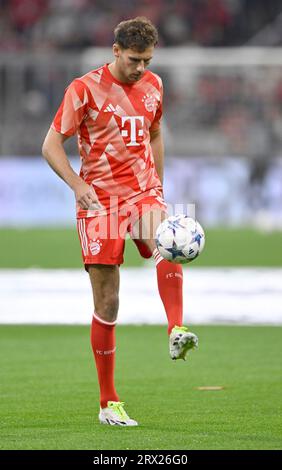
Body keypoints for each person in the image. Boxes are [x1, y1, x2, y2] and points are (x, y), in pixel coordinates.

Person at [42, 17, 198, 427]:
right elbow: (50, 144)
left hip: (142, 192)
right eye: (133, 60)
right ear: (115, 51)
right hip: (100, 204)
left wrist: (158, 189)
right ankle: (108, 403)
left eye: (147, 60)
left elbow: (155, 132)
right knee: (108, 302)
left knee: (169, 240)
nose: (141, 68)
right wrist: (76, 184)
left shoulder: (154, 86)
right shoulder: (84, 89)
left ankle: (175, 328)